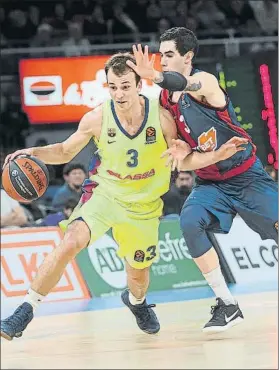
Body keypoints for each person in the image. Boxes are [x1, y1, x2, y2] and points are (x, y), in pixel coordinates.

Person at [0, 52, 247, 341]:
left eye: (125, 86)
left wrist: (218, 154)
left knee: (138, 278)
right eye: (113, 86)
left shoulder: (162, 118)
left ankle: (137, 302)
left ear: (139, 84)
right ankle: (25, 309)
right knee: (71, 242)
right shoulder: (96, 118)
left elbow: (184, 162)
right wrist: (32, 152)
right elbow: (65, 151)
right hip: (105, 194)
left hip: (143, 206)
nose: (119, 93)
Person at [127, 28, 278, 333]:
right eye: (161, 55)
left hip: (248, 177)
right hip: (211, 184)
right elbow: (182, 160)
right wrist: (183, 148)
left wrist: (153, 75)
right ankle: (227, 303)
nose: (164, 60)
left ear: (188, 57)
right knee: (189, 220)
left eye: (169, 55)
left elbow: (183, 82)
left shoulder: (205, 82)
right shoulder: (164, 102)